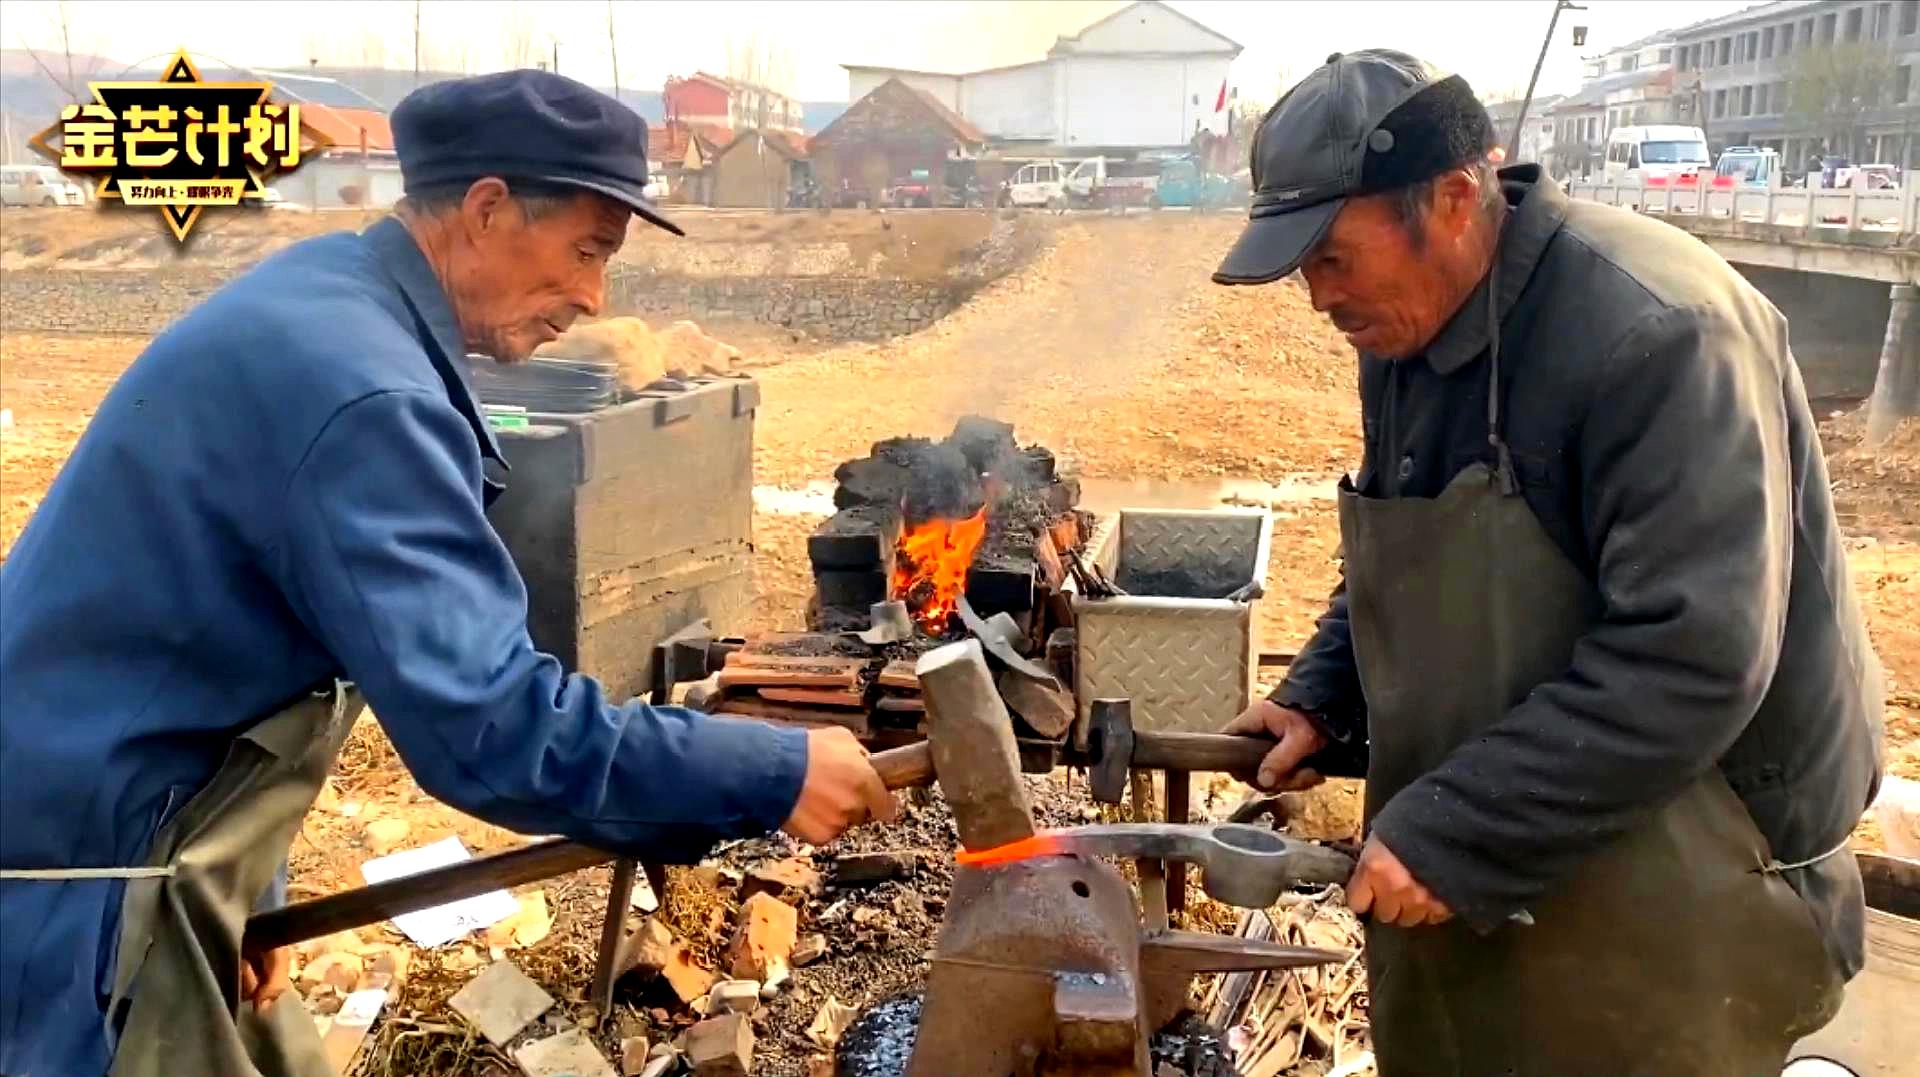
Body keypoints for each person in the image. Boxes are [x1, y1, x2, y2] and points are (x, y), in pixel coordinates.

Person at [0, 69, 895, 1077]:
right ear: (487, 209)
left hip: (127, 836)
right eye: (588, 251)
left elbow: (200, 636)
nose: (595, 297)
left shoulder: (329, 297)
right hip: (69, 888)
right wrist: (772, 772)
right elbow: (491, 730)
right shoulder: (366, 393)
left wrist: (251, 898)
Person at [1214, 51, 1884, 1077]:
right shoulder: (1405, 333)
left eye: (1333, 259)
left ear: (1448, 200)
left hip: (1689, 874)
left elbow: (1694, 654)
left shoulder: (1659, 335)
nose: (1318, 298)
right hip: (1519, 841)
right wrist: (1322, 695)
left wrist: (1458, 829)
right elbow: (1411, 549)